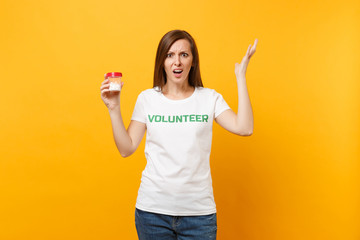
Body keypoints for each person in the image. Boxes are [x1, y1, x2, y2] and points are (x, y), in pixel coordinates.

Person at [100, 29, 257, 240]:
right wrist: (113, 108)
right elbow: (126, 149)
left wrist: (241, 77)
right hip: (152, 213)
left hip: (199, 216)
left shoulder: (209, 98)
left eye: (184, 55)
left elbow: (245, 128)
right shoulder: (147, 99)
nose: (177, 62)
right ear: (162, 61)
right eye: (170, 55)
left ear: (193, 61)